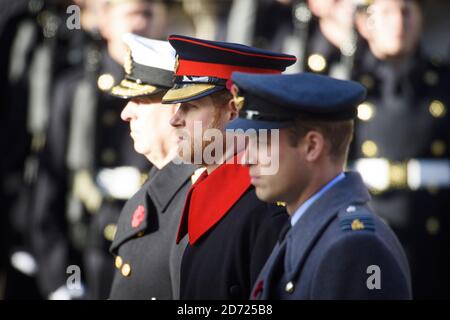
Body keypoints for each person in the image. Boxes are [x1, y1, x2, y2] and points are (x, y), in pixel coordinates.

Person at [227, 72, 412, 299]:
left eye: (262, 143)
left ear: (312, 146)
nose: (247, 159)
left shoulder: (355, 248)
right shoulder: (307, 227)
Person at [30, 0, 164, 299]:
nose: (141, 23)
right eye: (131, 14)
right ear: (105, 24)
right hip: (88, 252)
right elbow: (49, 186)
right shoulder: (76, 89)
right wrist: (60, 279)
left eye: (148, 14)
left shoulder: (171, 92)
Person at [162, 35, 296, 299]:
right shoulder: (215, 198)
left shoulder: (266, 213)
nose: (174, 119)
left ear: (233, 113)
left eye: (189, 107)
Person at [351, 0, 450, 299]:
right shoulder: (347, 85)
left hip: (437, 241)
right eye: (387, 11)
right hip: (369, 236)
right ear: (363, 23)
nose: (399, 21)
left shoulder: (444, 82)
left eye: (407, 11)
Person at [108, 33, 197, 300]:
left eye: (140, 100)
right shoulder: (158, 185)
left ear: (177, 107)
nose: (126, 113)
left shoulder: (196, 197)